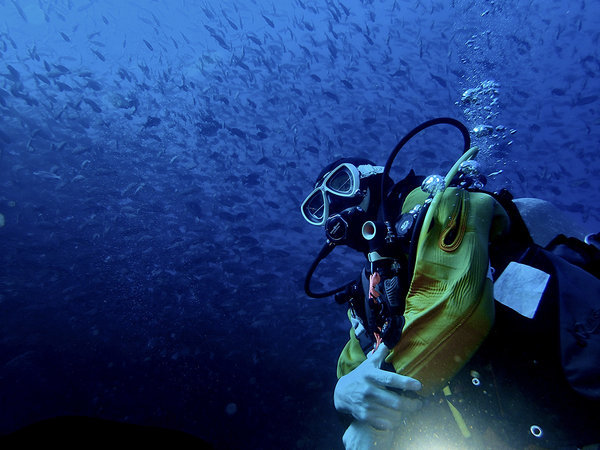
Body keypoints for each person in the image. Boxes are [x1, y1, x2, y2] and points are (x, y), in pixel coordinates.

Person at [300, 118, 600, 449]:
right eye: (318, 206)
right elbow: (353, 370)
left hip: (577, 386)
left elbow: (458, 304)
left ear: (374, 179)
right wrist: (343, 396)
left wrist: (372, 422)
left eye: (342, 183)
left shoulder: (446, 203)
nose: (332, 206)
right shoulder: (368, 293)